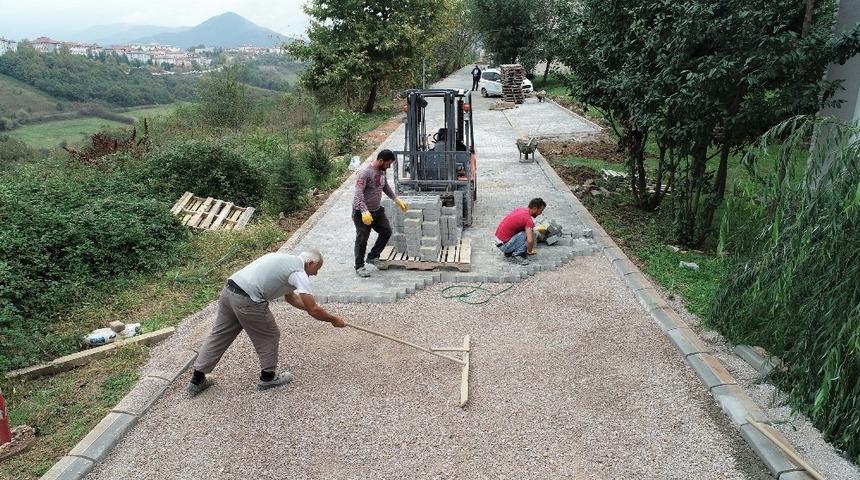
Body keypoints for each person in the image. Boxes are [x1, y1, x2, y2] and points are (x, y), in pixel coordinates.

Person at [186, 250, 346, 396]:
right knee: (270, 335)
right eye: (316, 269)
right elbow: (313, 310)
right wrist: (332, 319)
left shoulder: (285, 260)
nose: (316, 274)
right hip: (248, 300)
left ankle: (196, 380)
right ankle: (268, 378)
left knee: (219, 334)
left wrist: (317, 310)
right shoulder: (299, 273)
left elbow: (291, 298)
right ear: (310, 263)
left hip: (229, 290)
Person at [353, 149, 409, 277]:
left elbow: (384, 186)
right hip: (362, 213)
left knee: (386, 231)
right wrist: (363, 211)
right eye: (388, 164)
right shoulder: (365, 172)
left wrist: (396, 199)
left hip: (377, 210)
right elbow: (358, 193)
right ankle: (359, 266)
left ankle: (373, 257)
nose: (389, 167)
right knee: (362, 239)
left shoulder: (382, 171)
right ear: (381, 160)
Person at [494, 198, 547, 265]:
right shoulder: (528, 220)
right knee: (530, 234)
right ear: (535, 208)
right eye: (541, 210)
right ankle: (517, 255)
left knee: (526, 230)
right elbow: (530, 241)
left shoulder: (520, 210)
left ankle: (509, 252)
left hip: (498, 241)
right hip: (504, 245)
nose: (541, 213)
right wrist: (529, 251)